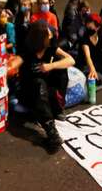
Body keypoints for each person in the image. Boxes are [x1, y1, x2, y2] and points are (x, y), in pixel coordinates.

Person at [18, 21, 74, 153]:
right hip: (32, 94)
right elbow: (15, 63)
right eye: (48, 35)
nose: (51, 36)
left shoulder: (51, 46)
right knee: (38, 83)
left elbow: (71, 60)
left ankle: (58, 108)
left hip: (47, 91)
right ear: (40, 38)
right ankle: (52, 133)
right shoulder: (27, 51)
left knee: (62, 69)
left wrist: (50, 66)